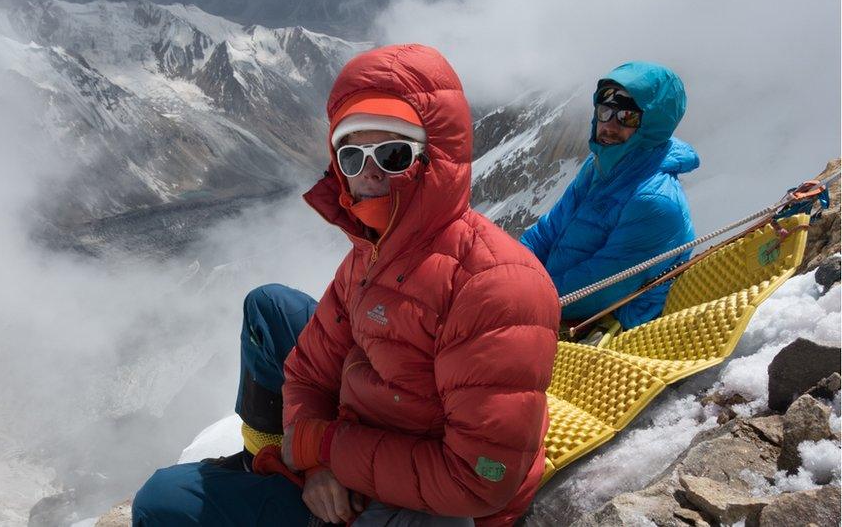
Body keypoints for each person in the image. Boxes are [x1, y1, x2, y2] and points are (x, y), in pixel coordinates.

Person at [132, 44, 559, 526]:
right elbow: (309, 372)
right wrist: (314, 462)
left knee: (161, 504)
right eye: (352, 155)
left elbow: (478, 480)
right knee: (271, 307)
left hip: (438, 507)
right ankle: (266, 462)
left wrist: (328, 447)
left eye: (393, 152)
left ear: (432, 159)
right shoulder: (370, 253)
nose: (370, 171)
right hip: (365, 447)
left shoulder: (495, 287)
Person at [520, 61, 699, 331]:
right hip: (559, 302)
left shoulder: (654, 202)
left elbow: (599, 288)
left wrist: (522, 298)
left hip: (608, 325)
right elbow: (547, 232)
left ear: (653, 124)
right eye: (605, 112)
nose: (610, 126)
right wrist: (509, 272)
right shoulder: (598, 168)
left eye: (627, 117)